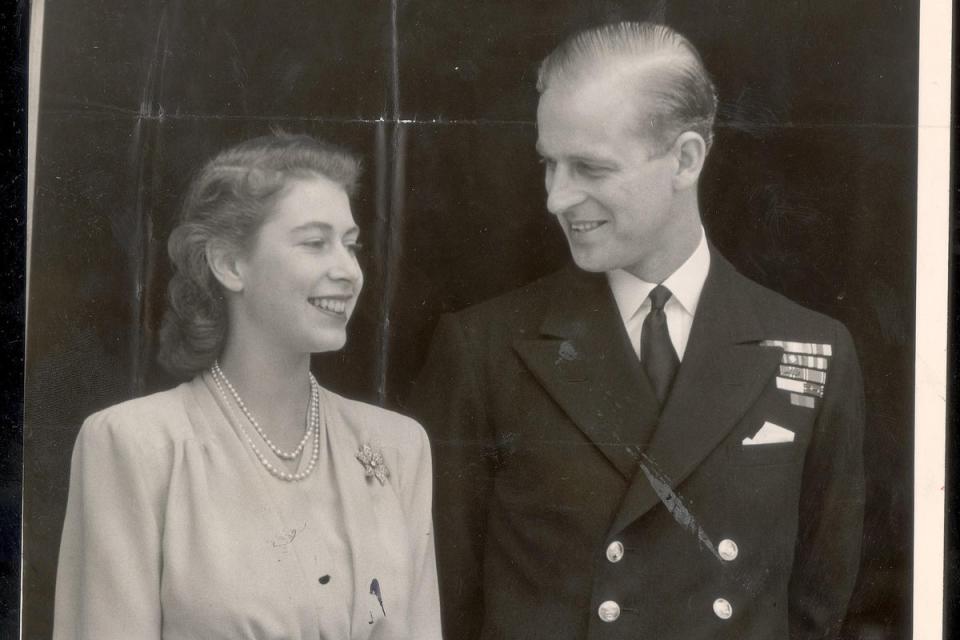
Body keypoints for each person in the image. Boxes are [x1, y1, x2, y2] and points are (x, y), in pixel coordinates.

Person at [411, 22, 865, 640]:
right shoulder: (485, 349)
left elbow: (819, 603)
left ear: (684, 159)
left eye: (590, 169)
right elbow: (444, 602)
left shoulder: (814, 350)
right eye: (549, 164)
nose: (556, 198)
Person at [53, 133, 442, 639]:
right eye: (314, 242)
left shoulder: (397, 447)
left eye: (351, 245)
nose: (348, 271)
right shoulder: (135, 445)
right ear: (229, 264)